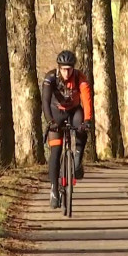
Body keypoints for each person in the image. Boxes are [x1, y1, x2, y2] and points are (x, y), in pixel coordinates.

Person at [42, 50, 93, 209]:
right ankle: (54, 190)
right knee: (55, 152)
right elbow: (44, 101)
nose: (66, 72)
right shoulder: (50, 78)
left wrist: (87, 120)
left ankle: (77, 158)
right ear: (58, 68)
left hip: (74, 111)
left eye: (69, 69)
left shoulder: (80, 77)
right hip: (55, 113)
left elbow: (87, 99)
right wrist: (50, 121)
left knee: (81, 127)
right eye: (63, 69)